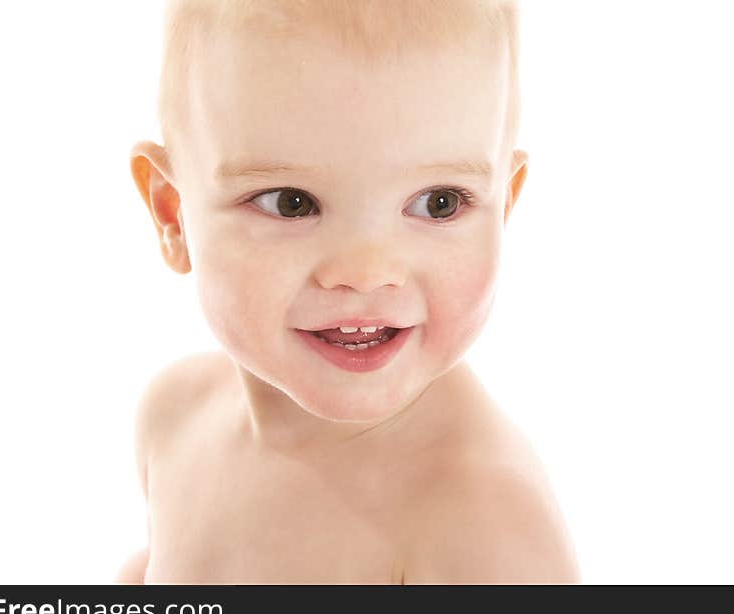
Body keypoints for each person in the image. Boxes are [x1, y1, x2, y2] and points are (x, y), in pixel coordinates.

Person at [116, 0, 580, 584]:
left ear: (503, 208)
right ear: (172, 214)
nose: (366, 272)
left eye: (439, 202)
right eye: (291, 202)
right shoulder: (175, 419)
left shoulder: (483, 523)